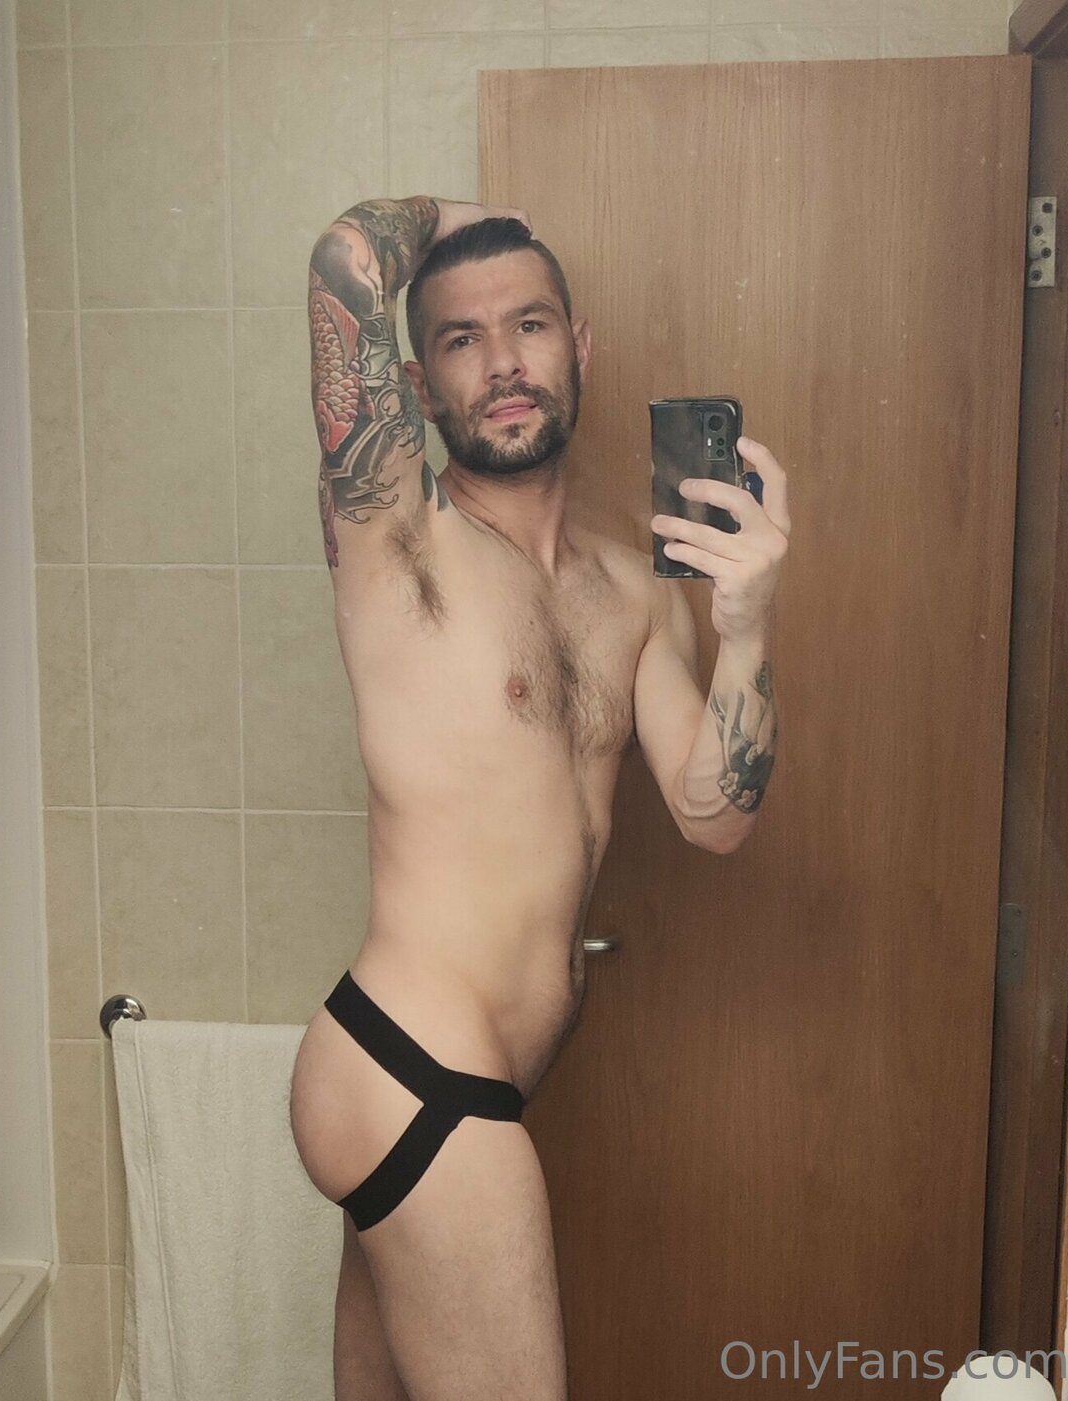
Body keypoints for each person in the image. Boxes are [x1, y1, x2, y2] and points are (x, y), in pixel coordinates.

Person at [287, 195, 791, 1400]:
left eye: (530, 324)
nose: (504, 362)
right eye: (462, 339)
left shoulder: (632, 591)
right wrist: (479, 216)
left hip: (465, 1081)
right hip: (414, 1068)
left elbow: (716, 816)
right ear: (418, 385)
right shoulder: (399, 538)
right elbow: (347, 259)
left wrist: (747, 629)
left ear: (580, 346)